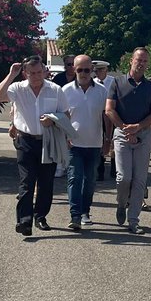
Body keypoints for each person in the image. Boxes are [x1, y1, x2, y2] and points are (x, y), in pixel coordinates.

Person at [0, 56, 66, 236]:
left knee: (46, 182)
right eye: (32, 73)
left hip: (48, 140)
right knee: (27, 182)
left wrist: (53, 120)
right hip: (25, 140)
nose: (36, 76)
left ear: (44, 71)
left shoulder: (55, 90)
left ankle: (40, 216)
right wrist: (11, 74)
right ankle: (24, 221)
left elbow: (66, 114)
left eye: (39, 72)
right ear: (25, 74)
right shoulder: (18, 88)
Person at [105, 47, 151, 234]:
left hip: (143, 135)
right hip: (122, 134)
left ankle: (133, 220)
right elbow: (109, 109)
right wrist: (124, 128)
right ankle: (121, 204)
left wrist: (138, 127)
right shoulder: (117, 83)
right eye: (139, 60)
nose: (141, 64)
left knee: (139, 180)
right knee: (124, 177)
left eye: (145, 61)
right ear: (131, 61)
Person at [61, 55, 107, 232]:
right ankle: (75, 216)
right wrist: (65, 137)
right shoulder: (65, 91)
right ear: (74, 69)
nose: (83, 73)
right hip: (74, 144)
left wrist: (107, 139)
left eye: (87, 70)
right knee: (74, 178)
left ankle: (85, 211)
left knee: (89, 181)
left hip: (95, 144)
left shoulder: (101, 91)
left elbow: (105, 116)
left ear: (92, 70)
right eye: (79, 70)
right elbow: (63, 116)